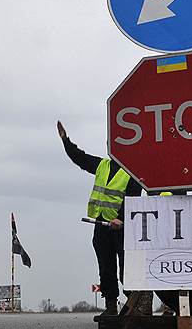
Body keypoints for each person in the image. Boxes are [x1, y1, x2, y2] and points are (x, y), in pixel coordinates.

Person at [57, 120, 141, 316]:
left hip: (123, 228)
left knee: (125, 268)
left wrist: (121, 218)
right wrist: (65, 140)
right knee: (106, 267)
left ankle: (132, 305)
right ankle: (111, 305)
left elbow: (134, 199)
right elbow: (80, 158)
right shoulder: (102, 165)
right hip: (101, 225)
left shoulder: (132, 171)